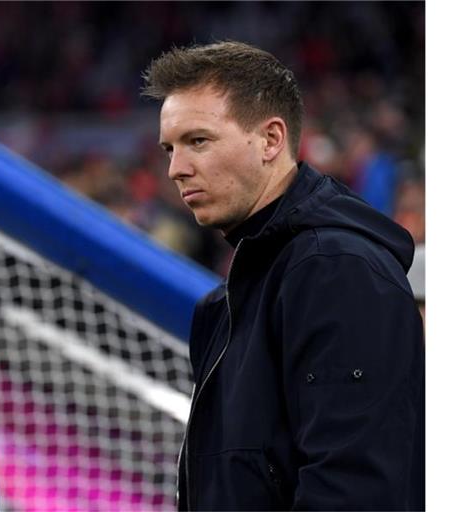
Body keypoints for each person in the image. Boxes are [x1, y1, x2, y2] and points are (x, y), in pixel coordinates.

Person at [142, 42, 424, 511]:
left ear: (272, 140)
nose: (176, 169)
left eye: (199, 141)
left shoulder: (335, 272)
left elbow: (354, 492)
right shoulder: (231, 298)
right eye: (170, 149)